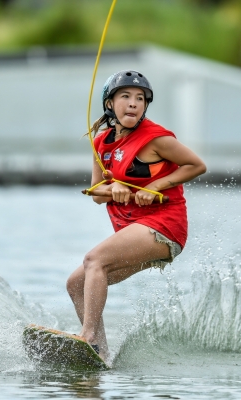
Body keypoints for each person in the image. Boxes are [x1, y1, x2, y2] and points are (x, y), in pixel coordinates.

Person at [66, 70, 206, 361]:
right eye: (125, 97)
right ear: (109, 104)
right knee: (76, 283)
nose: (133, 103)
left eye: (140, 99)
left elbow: (196, 165)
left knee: (94, 260)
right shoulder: (100, 142)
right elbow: (95, 194)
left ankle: (87, 336)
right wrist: (112, 189)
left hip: (164, 226)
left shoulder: (156, 139)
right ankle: (99, 354)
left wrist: (154, 186)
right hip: (134, 230)